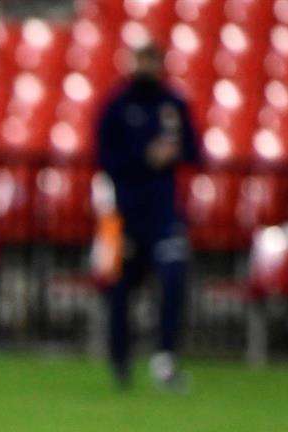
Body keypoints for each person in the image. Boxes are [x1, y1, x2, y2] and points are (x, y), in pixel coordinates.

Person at [94, 41, 200, 391]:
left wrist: (175, 152)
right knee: (118, 289)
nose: (147, 67)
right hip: (119, 215)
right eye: (142, 59)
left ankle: (165, 358)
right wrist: (144, 157)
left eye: (153, 60)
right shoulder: (116, 105)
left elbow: (196, 153)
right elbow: (103, 160)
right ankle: (119, 362)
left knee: (172, 278)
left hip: (163, 213)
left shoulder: (173, 104)